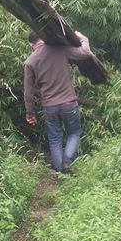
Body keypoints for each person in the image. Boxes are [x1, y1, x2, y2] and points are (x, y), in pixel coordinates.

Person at [23, 29, 95, 173]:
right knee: (74, 132)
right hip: (69, 102)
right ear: (42, 37)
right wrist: (83, 37)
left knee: (54, 138)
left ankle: (60, 171)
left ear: (31, 44)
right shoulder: (59, 48)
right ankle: (67, 162)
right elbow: (85, 52)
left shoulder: (29, 62)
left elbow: (28, 92)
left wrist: (30, 113)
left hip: (49, 106)